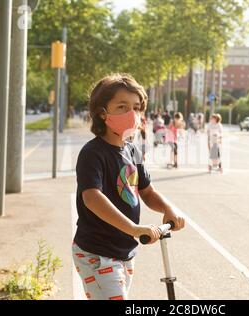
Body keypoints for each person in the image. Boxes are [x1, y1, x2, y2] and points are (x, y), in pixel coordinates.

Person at [73, 74, 185, 300]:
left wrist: (168, 209)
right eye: (122, 107)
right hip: (97, 251)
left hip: (125, 250)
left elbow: (147, 191)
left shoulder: (132, 151)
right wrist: (135, 228)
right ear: (103, 113)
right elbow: (92, 198)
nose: (131, 114)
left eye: (136, 108)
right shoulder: (93, 153)